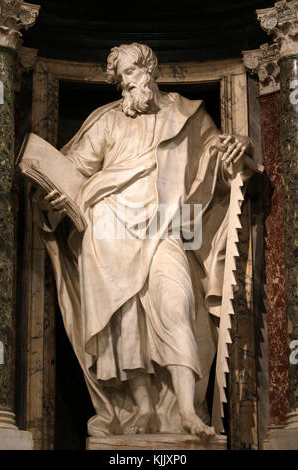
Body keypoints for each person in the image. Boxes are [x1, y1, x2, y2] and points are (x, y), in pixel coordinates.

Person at [34, 43, 254, 437]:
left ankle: (187, 410)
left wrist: (237, 149)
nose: (128, 83)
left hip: (167, 229)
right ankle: (143, 406)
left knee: (177, 305)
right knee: (124, 319)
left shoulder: (188, 114)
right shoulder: (106, 121)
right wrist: (53, 200)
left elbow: (217, 167)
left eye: (133, 71)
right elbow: (72, 173)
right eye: (120, 78)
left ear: (151, 69)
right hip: (109, 231)